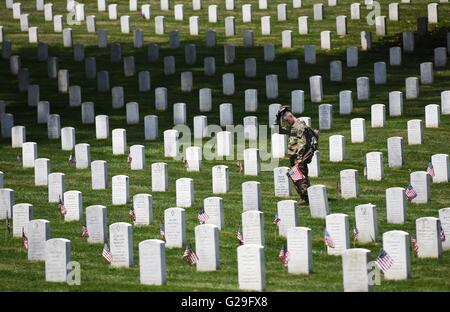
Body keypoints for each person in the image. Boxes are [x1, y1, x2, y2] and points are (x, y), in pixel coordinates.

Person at [274, 106, 319, 205]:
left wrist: (299, 158)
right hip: (293, 157)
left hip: (300, 157)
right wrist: (277, 119)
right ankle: (304, 197)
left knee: (301, 178)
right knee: (296, 176)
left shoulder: (299, 126)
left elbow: (302, 143)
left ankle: (306, 198)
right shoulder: (292, 127)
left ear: (290, 116)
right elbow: (278, 131)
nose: (286, 123)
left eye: (286, 120)